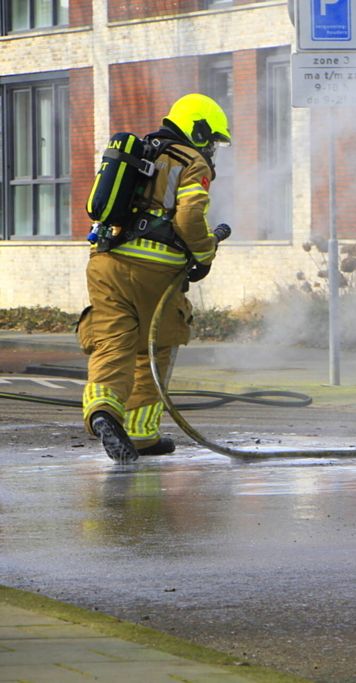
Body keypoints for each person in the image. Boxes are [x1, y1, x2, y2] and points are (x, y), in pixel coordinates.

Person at [78, 93, 232, 463]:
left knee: (112, 340)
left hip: (105, 259)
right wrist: (206, 252)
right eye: (211, 138)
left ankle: (102, 410)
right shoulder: (192, 161)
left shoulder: (140, 152)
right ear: (197, 129)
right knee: (156, 345)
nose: (212, 148)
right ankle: (142, 433)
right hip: (155, 270)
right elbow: (189, 218)